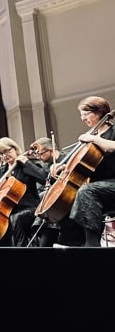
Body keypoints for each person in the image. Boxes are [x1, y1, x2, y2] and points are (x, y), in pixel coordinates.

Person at [63, 96, 115, 247]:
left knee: (87, 192)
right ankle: (70, 242)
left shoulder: (110, 132)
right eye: (81, 115)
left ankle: (91, 245)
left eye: (85, 113)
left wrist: (93, 139)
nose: (83, 118)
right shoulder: (91, 137)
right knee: (67, 197)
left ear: (99, 112)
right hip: (99, 187)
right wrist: (64, 166)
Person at [0, 137, 44, 247]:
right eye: (1, 154)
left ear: (15, 149)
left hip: (29, 209)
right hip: (8, 211)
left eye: (7, 151)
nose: (5, 155)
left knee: (15, 219)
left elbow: (44, 178)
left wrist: (27, 163)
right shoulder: (1, 172)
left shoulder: (26, 166)